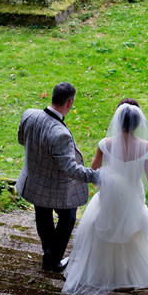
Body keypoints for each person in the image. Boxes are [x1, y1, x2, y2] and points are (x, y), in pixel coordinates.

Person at [62, 99, 148, 295]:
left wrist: (109, 183)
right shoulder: (145, 147)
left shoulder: (105, 144)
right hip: (133, 198)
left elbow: (94, 173)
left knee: (103, 231)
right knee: (132, 231)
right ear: (138, 123)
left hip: (108, 198)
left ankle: (104, 273)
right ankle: (132, 274)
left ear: (118, 120)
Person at [16, 82, 100, 274]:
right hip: (57, 187)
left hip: (35, 181)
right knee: (68, 217)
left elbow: (22, 140)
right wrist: (96, 176)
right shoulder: (60, 134)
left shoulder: (29, 114)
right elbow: (70, 168)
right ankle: (52, 260)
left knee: (43, 216)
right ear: (69, 103)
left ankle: (49, 253)